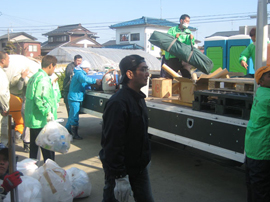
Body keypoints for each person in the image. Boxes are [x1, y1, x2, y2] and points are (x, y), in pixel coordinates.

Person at [99, 55, 155, 202]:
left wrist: (145, 157)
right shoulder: (118, 103)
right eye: (143, 70)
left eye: (147, 69)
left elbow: (140, 133)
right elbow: (112, 143)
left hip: (139, 167)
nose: (147, 74)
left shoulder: (139, 99)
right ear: (130, 74)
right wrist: (119, 176)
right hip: (121, 171)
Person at [24, 55, 58, 163]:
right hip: (41, 120)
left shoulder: (34, 77)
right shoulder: (43, 79)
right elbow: (40, 98)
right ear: (50, 65)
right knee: (48, 153)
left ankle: (32, 171)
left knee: (34, 151)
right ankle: (51, 173)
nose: (54, 70)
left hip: (33, 119)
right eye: (54, 67)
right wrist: (48, 112)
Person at [245, 65, 270, 202]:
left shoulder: (261, 92)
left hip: (253, 149)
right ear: (261, 81)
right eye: (269, 76)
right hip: (262, 152)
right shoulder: (268, 97)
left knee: (254, 186)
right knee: (262, 191)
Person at [65, 60, 101, 140]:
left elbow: (84, 83)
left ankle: (66, 131)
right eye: (88, 69)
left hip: (74, 97)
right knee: (74, 116)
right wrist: (96, 81)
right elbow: (85, 79)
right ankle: (74, 134)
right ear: (85, 68)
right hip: (75, 98)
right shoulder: (80, 74)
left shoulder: (78, 73)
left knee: (71, 116)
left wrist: (90, 84)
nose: (88, 71)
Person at [164, 14, 195, 79]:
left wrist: (191, 39)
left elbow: (190, 45)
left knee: (187, 77)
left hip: (184, 58)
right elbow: (167, 41)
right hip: (173, 57)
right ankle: (167, 88)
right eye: (186, 21)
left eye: (188, 22)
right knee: (169, 77)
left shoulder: (188, 32)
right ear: (181, 20)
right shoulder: (172, 30)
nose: (187, 23)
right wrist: (175, 37)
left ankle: (186, 88)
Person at [0, 52, 10, 146]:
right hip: (1, 109)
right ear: (2, 61)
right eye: (8, 59)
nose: (9, 61)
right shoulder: (1, 74)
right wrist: (5, 108)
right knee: (3, 134)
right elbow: (2, 93)